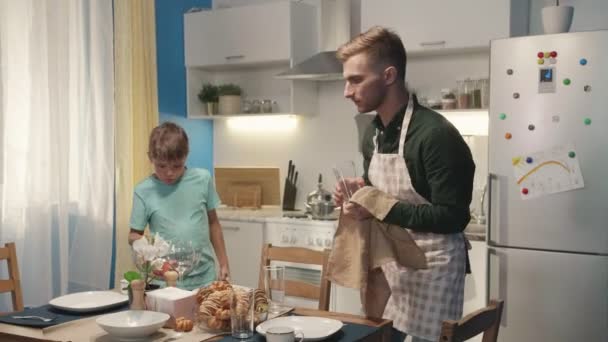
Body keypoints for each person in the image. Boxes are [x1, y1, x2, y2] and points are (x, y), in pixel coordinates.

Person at [333, 26, 475, 342]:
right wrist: (362, 192)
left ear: (389, 75)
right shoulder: (373, 132)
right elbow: (382, 191)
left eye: (356, 80)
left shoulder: (435, 135)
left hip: (433, 270)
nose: (346, 91)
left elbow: (453, 217)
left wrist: (380, 209)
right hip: (393, 270)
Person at [129, 122, 230, 290]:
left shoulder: (202, 179)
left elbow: (213, 223)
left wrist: (224, 263)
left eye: (176, 166)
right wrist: (143, 244)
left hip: (205, 278)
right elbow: (133, 235)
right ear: (150, 158)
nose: (169, 173)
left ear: (186, 156)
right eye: (161, 166)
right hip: (165, 282)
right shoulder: (143, 191)